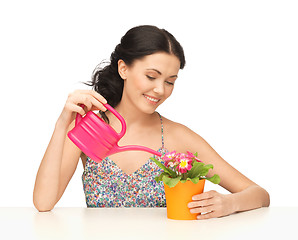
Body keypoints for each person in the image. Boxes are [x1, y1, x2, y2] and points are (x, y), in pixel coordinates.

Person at [33, 25, 270, 219]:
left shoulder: (178, 137)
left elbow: (259, 194)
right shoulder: (92, 131)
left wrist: (229, 204)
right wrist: (62, 124)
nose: (160, 90)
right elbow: (44, 203)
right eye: (151, 76)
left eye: (170, 81)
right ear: (123, 69)